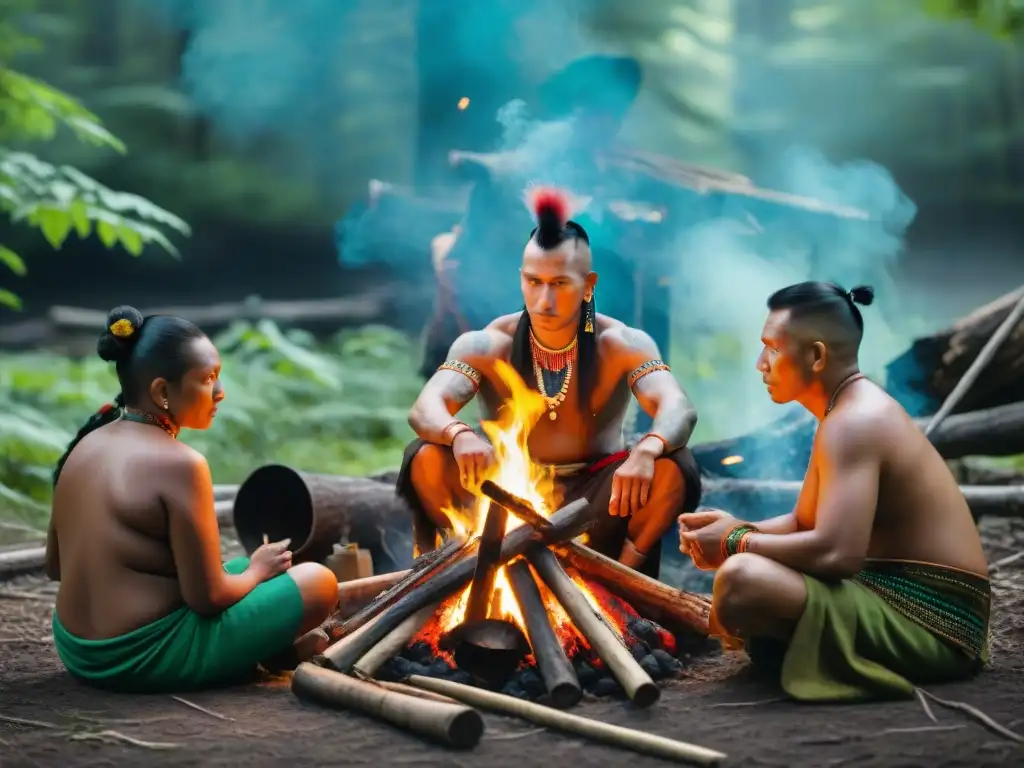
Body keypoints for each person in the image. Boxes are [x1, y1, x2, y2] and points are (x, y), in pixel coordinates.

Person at [678, 282, 991, 701]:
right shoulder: (842, 412)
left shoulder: (855, 422)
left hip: (936, 620)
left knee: (741, 579)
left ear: (817, 356)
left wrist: (736, 542)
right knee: (742, 573)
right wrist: (736, 527)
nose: (760, 364)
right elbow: (803, 522)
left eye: (772, 348)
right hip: (891, 592)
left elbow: (837, 555)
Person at [397, 186, 703, 579]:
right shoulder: (488, 343)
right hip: (503, 496)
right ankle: (469, 571)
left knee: (674, 466)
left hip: (599, 502)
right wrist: (458, 434)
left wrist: (647, 449)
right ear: (521, 279)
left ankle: (621, 588)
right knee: (425, 456)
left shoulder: (622, 343)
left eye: (559, 284)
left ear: (588, 284)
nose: (544, 300)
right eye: (534, 282)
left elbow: (678, 408)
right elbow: (425, 408)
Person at [46, 306, 338, 693]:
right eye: (208, 379)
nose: (220, 392)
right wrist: (257, 571)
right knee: (318, 581)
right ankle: (257, 655)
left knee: (233, 565)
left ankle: (267, 654)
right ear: (162, 391)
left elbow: (55, 566)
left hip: (77, 647)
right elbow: (208, 598)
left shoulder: (85, 445)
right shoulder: (182, 464)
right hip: (141, 655)